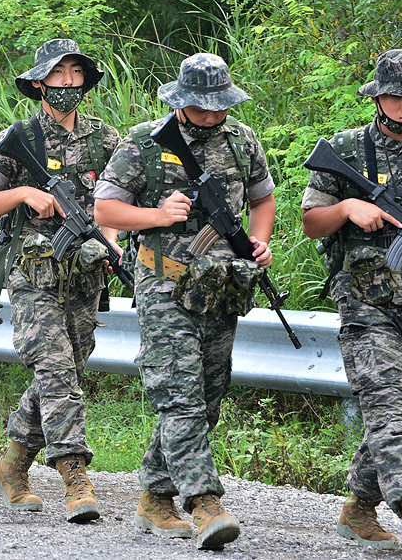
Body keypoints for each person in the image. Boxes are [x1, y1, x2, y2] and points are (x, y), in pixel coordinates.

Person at [93, 53, 276, 550]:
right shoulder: (143, 141)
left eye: (220, 106)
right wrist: (156, 214)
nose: (213, 115)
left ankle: (155, 496)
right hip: (165, 285)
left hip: (222, 287)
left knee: (208, 397)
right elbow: (105, 209)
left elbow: (263, 199)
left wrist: (259, 241)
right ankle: (204, 503)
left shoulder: (242, 140)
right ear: (182, 102)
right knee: (178, 396)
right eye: (203, 107)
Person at [0, 39, 120, 521]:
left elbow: (111, 203)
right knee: (55, 369)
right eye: (59, 73)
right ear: (38, 83)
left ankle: (12, 463)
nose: (69, 82)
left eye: (76, 72)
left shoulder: (105, 139)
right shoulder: (20, 138)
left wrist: (110, 242)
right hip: (33, 275)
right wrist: (24, 193)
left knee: (68, 369)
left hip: (83, 273)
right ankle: (75, 477)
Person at [301, 49, 402, 557]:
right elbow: (311, 222)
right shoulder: (347, 151)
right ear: (377, 97)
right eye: (396, 96)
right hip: (367, 303)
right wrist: (349, 207)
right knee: (386, 407)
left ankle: (358, 506)